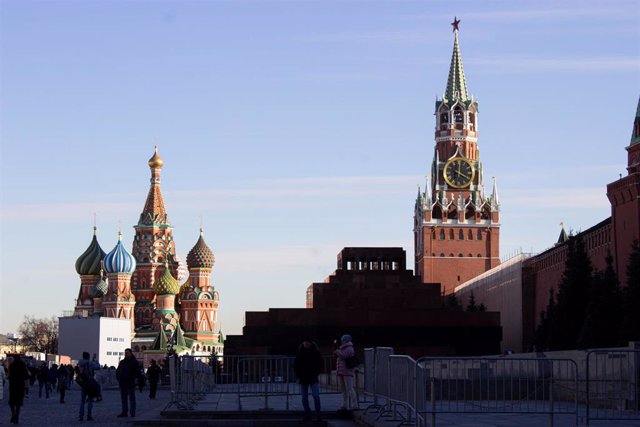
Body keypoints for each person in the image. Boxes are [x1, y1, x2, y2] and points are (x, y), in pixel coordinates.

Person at [293, 337, 323, 421]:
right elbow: (296, 365)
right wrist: (298, 375)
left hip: (313, 377)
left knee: (316, 396)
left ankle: (318, 414)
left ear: (310, 343)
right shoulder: (300, 353)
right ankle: (307, 414)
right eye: (304, 342)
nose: (305, 344)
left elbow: (320, 363)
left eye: (307, 342)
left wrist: (316, 372)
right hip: (303, 378)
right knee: (304, 398)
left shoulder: (316, 352)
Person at [334, 334, 358, 411]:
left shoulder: (349, 348)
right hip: (342, 371)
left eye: (343, 340)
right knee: (343, 389)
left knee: (349, 388)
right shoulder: (343, 348)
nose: (342, 341)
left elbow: (343, 356)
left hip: (347, 371)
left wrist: (337, 351)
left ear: (346, 341)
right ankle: (344, 404)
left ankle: (355, 405)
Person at [7, 355, 30, 424]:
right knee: (18, 403)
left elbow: (9, 376)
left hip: (13, 385)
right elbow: (27, 376)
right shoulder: (23, 366)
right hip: (20, 386)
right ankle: (16, 417)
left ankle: (13, 414)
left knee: (12, 402)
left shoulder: (11, 366)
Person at [116, 348, 139, 418]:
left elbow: (137, 373)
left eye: (127, 353)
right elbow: (118, 371)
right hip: (123, 383)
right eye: (125, 353)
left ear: (131, 353)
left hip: (130, 383)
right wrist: (119, 379)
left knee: (132, 399)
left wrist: (135, 380)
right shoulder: (122, 362)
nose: (126, 354)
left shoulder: (134, 362)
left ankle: (132, 412)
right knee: (124, 399)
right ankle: (124, 412)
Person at [78, 351, 100, 421]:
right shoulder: (90, 363)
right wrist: (95, 360)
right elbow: (98, 367)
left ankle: (81, 416)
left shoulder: (80, 363)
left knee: (82, 401)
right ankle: (89, 416)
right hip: (90, 382)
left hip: (83, 383)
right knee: (90, 400)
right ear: (88, 356)